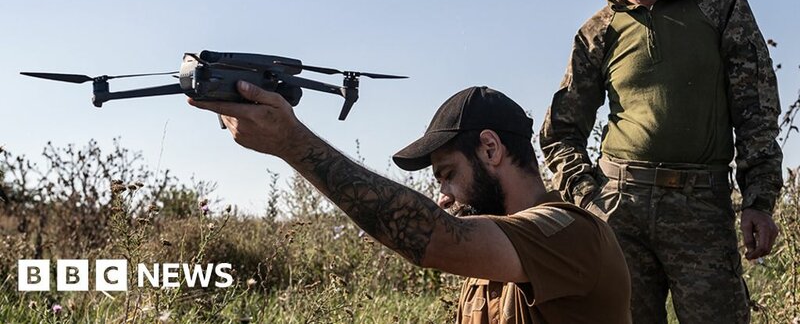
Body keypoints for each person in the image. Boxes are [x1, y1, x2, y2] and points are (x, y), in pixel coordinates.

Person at [539, 0, 783, 324]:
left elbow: (756, 109)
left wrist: (759, 200)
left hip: (701, 206)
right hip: (619, 210)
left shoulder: (719, 2)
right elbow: (559, 133)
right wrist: (590, 200)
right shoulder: (596, 33)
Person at [191, 84, 631, 323]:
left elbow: (436, 238)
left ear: (490, 149)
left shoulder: (573, 234)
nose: (443, 196)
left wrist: (292, 142)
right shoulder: (488, 263)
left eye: (448, 174)